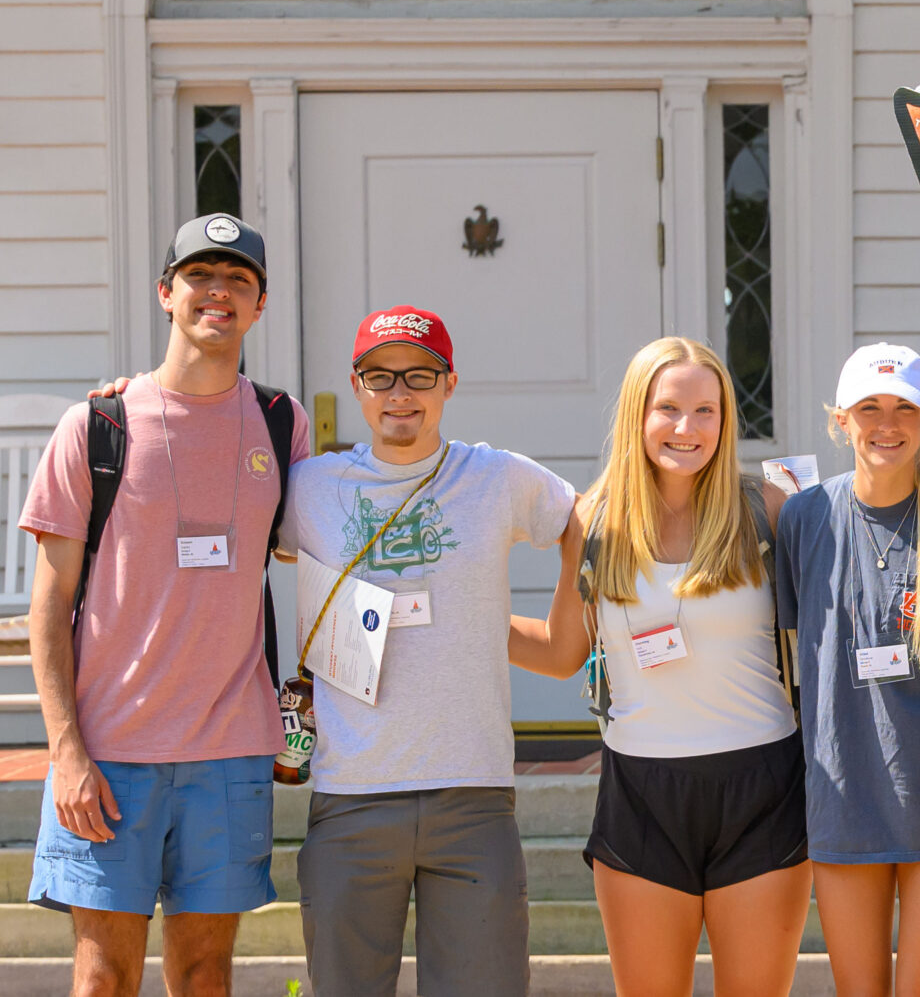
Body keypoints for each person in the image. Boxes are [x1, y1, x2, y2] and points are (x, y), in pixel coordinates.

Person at [17, 214, 308, 997]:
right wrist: (65, 752)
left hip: (231, 753)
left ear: (260, 304)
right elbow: (46, 609)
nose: (219, 293)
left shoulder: (284, 426)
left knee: (206, 975)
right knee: (103, 977)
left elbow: (318, 557)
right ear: (166, 294)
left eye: (238, 281)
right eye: (200, 277)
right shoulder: (96, 427)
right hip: (110, 754)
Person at [276, 306, 577, 997]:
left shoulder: (496, 477)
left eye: (419, 376)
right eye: (380, 377)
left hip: (472, 794)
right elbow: (230, 529)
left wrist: (569, 637)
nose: (399, 394)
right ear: (356, 386)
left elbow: (584, 519)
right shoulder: (312, 487)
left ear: (450, 384)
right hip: (353, 795)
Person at [510, 337, 808, 997]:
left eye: (707, 411)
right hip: (640, 795)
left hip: (762, 787)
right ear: (637, 417)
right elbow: (564, 653)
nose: (687, 428)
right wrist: (466, 614)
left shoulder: (769, 509)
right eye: (668, 408)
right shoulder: (592, 520)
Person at [770, 343, 920, 997]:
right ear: (839, 420)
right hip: (843, 794)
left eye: (905, 407)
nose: (887, 423)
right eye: (869, 407)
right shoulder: (804, 518)